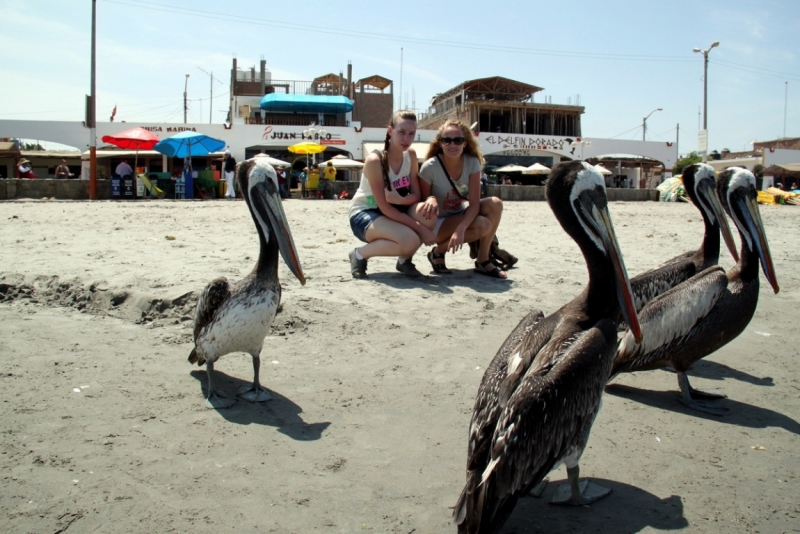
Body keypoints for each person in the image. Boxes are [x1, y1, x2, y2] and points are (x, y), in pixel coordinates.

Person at [347, 110, 438, 279]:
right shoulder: (375, 160)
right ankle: (359, 254)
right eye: (401, 132)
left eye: (411, 134)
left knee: (428, 214)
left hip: (395, 208)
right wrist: (421, 230)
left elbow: (417, 195)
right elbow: (384, 207)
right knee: (410, 240)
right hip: (366, 212)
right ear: (390, 131)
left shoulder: (410, 155)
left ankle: (404, 261)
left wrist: (400, 199)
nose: (406, 139)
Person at [415, 119, 508, 279]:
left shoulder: (472, 163)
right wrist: (431, 199)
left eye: (458, 140)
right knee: (482, 225)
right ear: (440, 143)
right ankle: (438, 251)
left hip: (459, 214)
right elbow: (422, 203)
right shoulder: (430, 167)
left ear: (465, 143)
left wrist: (461, 228)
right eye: (447, 140)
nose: (453, 145)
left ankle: (483, 259)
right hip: (438, 221)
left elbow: (474, 204)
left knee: (495, 204)